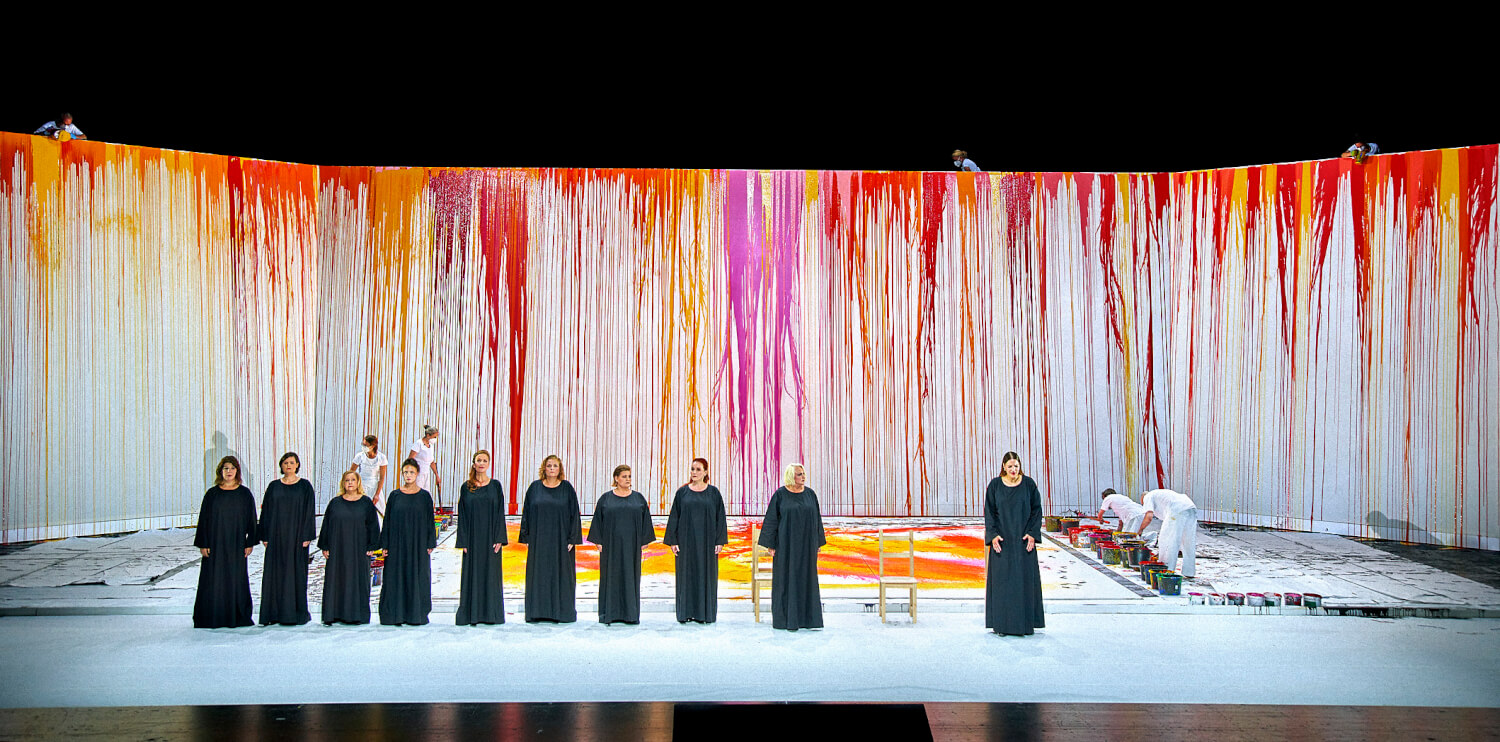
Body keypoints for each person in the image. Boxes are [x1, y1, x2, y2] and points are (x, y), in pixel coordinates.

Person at [758, 463, 826, 631]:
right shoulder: (780, 495)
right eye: (799, 474)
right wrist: (771, 544)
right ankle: (785, 619)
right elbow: (772, 519)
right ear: (791, 476)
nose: (803, 477)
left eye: (803, 473)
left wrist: (817, 541)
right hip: (785, 546)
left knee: (807, 578)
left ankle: (808, 619)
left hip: (807, 545)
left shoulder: (810, 494)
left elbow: (816, 519)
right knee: (785, 580)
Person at [193, 456, 258, 628]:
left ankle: (236, 616)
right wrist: (203, 543)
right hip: (214, 544)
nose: (229, 472)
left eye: (232, 468)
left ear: (237, 471)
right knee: (213, 579)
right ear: (220, 471)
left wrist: (250, 542)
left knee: (235, 578)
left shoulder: (244, 494)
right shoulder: (212, 494)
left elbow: (251, 519)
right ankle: (212, 616)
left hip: (236, 544)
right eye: (225, 468)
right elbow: (204, 520)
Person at [984, 451, 1044, 636]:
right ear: (1003, 466)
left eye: (1016, 466)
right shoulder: (994, 485)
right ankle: (1002, 625)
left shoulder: (1028, 484)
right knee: (1003, 582)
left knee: (1023, 581)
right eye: (1009, 466)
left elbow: (1036, 510)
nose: (1013, 470)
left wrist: (1032, 534)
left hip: (1023, 541)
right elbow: (989, 513)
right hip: (1002, 541)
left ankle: (1024, 625)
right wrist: (993, 535)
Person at [588, 465, 656, 624]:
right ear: (616, 478)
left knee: (631, 577)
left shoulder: (638, 498)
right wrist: (599, 542)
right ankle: (609, 614)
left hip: (631, 547)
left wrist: (644, 541)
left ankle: (630, 615)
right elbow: (598, 519)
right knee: (610, 577)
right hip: (610, 547)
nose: (628, 479)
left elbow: (646, 519)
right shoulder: (606, 499)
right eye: (624, 476)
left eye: (629, 476)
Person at [518, 454, 583, 622]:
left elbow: (574, 514)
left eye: (555, 465)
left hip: (561, 542)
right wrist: (526, 537)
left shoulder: (567, 488)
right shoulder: (534, 488)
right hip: (539, 541)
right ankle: (537, 612)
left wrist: (572, 538)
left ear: (560, 469)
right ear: (544, 469)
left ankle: (562, 613)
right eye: (549, 466)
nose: (552, 468)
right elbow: (527, 512)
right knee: (538, 575)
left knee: (562, 575)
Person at [664, 458, 728, 623]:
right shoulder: (682, 493)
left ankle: (705, 614)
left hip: (707, 544)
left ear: (706, 472)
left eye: (698, 469)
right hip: (685, 543)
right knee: (686, 576)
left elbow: (720, 517)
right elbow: (674, 517)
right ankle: (685, 613)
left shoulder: (713, 493)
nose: (694, 472)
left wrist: (719, 541)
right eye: (692, 469)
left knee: (706, 576)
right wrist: (673, 541)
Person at [258, 452, 316, 625]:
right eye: (285, 462)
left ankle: (296, 614)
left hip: (297, 537)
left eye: (292, 462)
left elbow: (309, 511)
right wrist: (265, 534)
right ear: (281, 466)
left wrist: (307, 535)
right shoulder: (274, 486)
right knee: (274, 573)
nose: (288, 465)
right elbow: (266, 511)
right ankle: (273, 614)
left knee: (296, 573)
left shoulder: (305, 486)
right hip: (276, 536)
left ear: (297, 465)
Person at [318, 471, 381, 625]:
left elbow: (373, 525)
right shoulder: (335, 503)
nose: (350, 483)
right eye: (347, 480)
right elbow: (326, 524)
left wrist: (372, 545)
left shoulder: (366, 503)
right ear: (343, 483)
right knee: (336, 579)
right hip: (338, 548)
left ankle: (356, 615)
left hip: (359, 550)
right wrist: (325, 545)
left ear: (358, 482)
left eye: (353, 480)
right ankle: (334, 614)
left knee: (358, 580)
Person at [379, 459, 437, 625]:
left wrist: (430, 543)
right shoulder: (395, 495)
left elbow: (429, 521)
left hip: (418, 545)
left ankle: (416, 614)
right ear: (402, 474)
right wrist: (385, 544)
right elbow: (388, 521)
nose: (409, 475)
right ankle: (394, 614)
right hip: (397, 545)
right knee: (395, 576)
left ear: (417, 473)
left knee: (418, 576)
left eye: (412, 472)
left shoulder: (425, 496)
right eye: (406, 472)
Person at [456, 450, 508, 625]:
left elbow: (500, 512)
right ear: (473, 464)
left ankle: (491, 614)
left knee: (491, 575)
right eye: (479, 460)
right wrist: (463, 540)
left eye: (485, 460)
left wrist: (499, 537)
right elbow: (461, 515)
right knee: (472, 575)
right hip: (472, 539)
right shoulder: (466, 487)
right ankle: (471, 614)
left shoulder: (495, 486)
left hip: (491, 539)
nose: (481, 463)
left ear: (488, 464)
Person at [1140, 488, 1198, 578]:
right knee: (1188, 542)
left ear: (1142, 498)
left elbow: (1149, 517)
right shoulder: (1160, 495)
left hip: (1177, 508)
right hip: (1190, 507)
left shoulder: (1148, 497)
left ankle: (1166, 569)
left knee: (1168, 540)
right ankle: (1189, 571)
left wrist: (1140, 530)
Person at [349, 435, 389, 516]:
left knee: (379, 512)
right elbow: (350, 473)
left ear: (373, 446)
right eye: (363, 445)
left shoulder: (381, 457)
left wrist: (377, 494)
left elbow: (381, 478)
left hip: (374, 487)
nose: (364, 447)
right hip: (361, 486)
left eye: (366, 445)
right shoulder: (360, 456)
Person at [406, 425, 440, 502]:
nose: (435, 439)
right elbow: (410, 459)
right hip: (418, 473)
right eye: (434, 437)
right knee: (416, 494)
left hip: (426, 473)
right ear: (428, 435)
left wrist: (437, 475)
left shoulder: (431, 446)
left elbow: (431, 462)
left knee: (425, 494)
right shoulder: (419, 443)